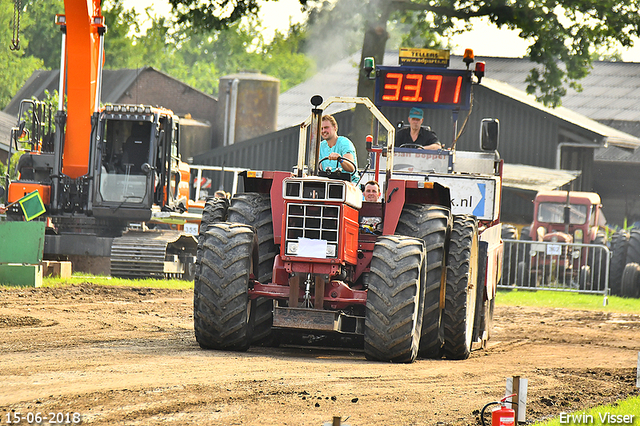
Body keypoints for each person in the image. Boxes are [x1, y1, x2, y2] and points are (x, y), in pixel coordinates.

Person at [318, 115, 358, 183]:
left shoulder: (345, 143)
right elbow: (319, 169)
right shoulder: (321, 146)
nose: (323, 131)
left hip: (348, 184)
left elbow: (351, 168)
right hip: (328, 184)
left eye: (326, 127)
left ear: (335, 127)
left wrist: (340, 159)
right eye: (321, 128)